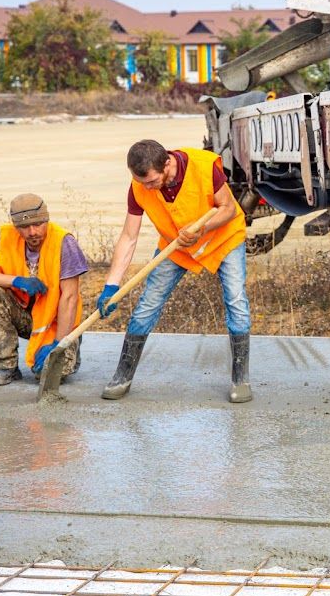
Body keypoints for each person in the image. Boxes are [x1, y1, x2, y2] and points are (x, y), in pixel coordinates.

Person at [97, 139, 252, 402]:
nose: (147, 187)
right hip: (176, 246)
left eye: (152, 181)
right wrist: (112, 284)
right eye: (142, 182)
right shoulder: (139, 186)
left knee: (236, 301)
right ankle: (122, 376)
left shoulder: (203, 167)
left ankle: (241, 380)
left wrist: (201, 229)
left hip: (224, 240)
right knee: (148, 303)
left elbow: (227, 208)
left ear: (167, 163)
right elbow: (128, 236)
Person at [0, 194, 86, 385]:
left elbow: (70, 298)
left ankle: (68, 352)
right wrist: (15, 281)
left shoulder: (64, 242)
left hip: (55, 323)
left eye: (38, 224)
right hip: (23, 316)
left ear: (46, 220)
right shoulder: (6, 237)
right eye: (24, 227)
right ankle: (5, 367)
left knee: (48, 375)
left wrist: (59, 345)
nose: (32, 232)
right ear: (16, 227)